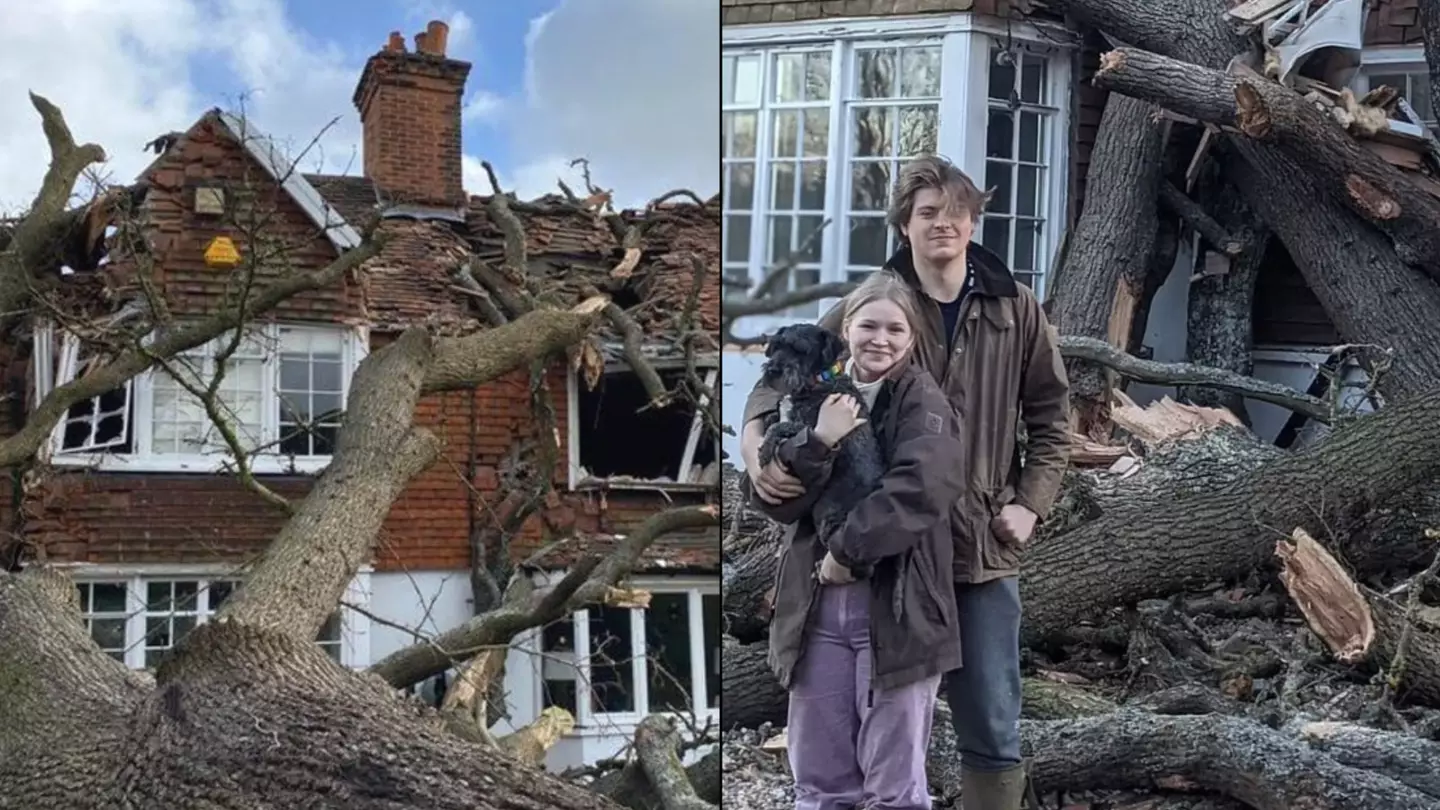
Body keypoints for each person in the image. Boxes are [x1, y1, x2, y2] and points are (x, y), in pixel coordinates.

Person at [741, 155, 1071, 810]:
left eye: (955, 213)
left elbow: (1054, 417)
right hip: (885, 553)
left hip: (977, 546)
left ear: (974, 221)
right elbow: (780, 380)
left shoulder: (1015, 306)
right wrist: (756, 450)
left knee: (991, 722)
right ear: (904, 226)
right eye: (927, 214)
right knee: (867, 717)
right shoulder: (872, 306)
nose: (942, 226)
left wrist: (1033, 503)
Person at [750, 271, 967, 810]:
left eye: (895, 329)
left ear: (912, 338)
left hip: (898, 609)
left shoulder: (924, 401)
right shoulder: (811, 398)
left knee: (893, 788)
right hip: (816, 609)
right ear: (845, 332)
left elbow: (922, 487)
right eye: (868, 325)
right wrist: (817, 441)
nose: (881, 339)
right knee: (821, 782)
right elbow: (780, 499)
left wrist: (846, 553)